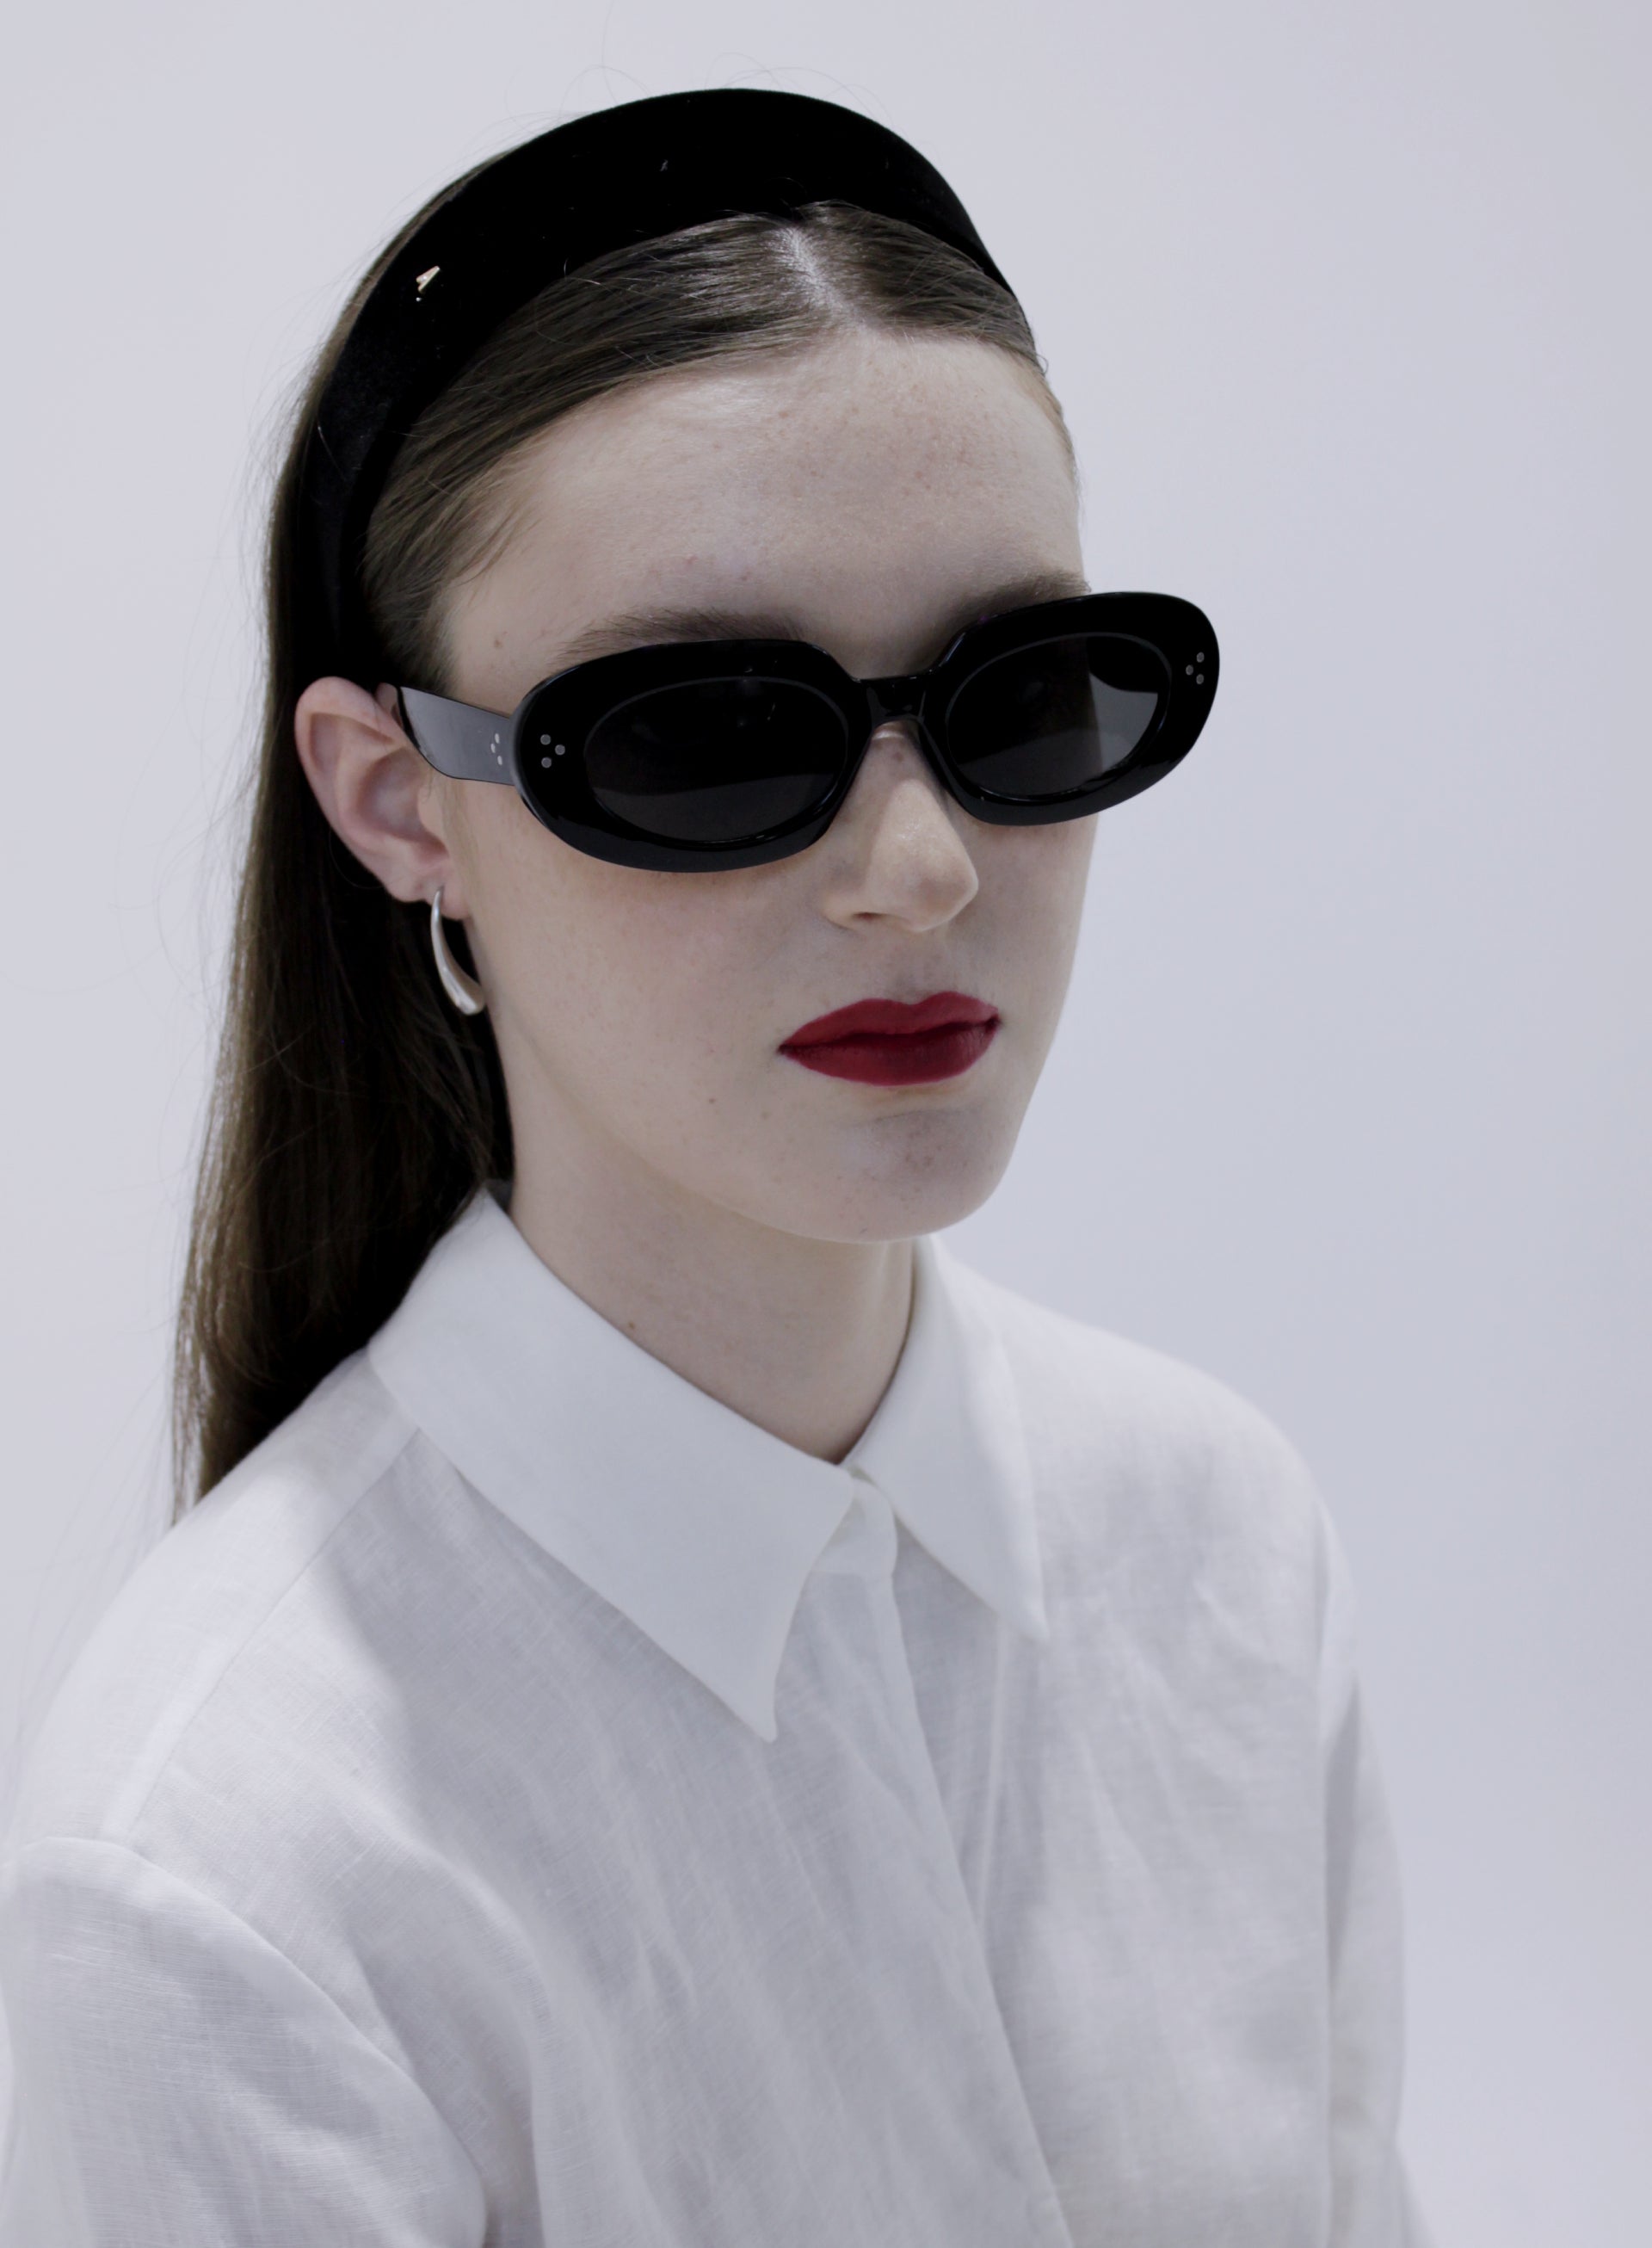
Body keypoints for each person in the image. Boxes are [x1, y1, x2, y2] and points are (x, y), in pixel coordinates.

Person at [0, 89, 1433, 2247]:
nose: (922, 866)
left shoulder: (1222, 1548)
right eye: (707, 735)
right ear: (401, 802)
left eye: (1026, 694)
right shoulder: (221, 1870)